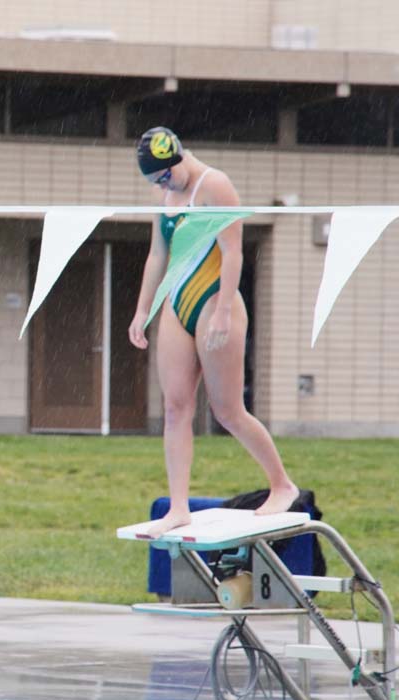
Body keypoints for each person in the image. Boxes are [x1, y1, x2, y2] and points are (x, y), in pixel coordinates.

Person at [127, 127, 300, 538]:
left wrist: (223, 311)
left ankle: (282, 484)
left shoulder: (215, 185)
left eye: (166, 176)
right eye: (156, 181)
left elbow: (233, 251)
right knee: (175, 408)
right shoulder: (164, 195)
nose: (164, 185)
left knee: (227, 411)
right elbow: (157, 255)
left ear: (179, 159)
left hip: (214, 301)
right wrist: (142, 310)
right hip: (177, 302)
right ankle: (179, 507)